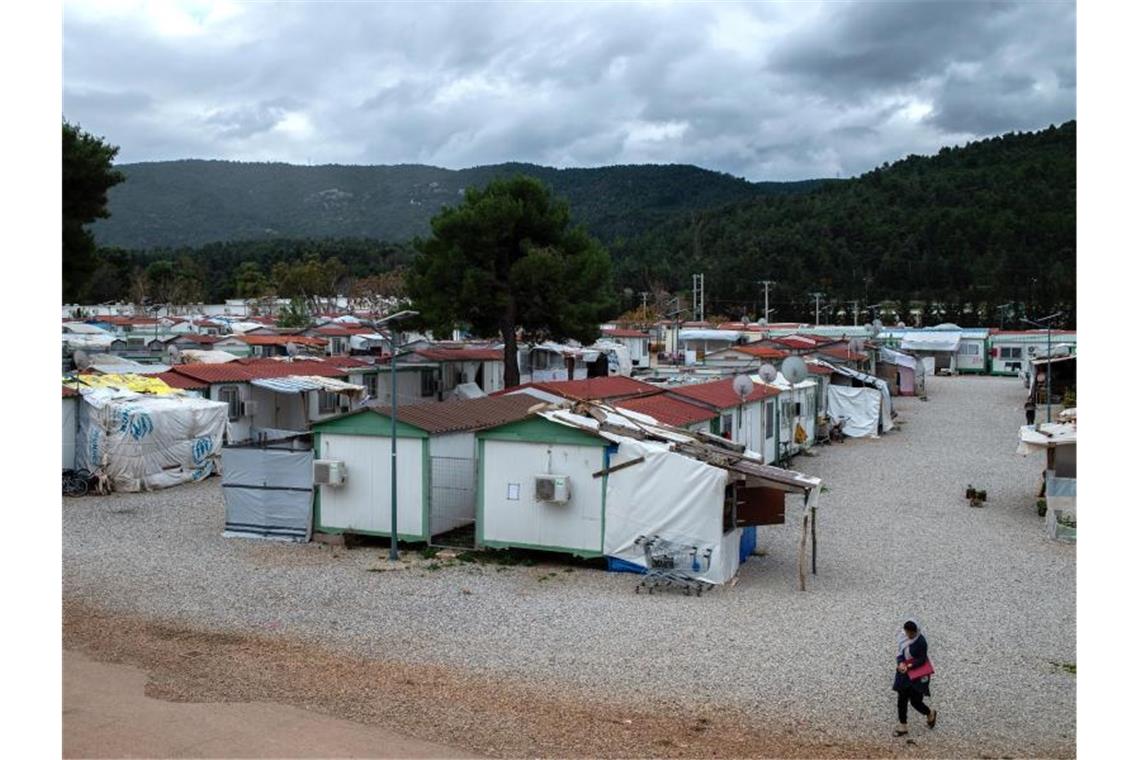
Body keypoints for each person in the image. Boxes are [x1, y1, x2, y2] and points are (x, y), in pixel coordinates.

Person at [893, 619, 937, 736]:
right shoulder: (903, 638)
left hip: (917, 676)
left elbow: (922, 659)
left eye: (912, 633)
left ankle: (929, 712)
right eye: (908, 633)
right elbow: (900, 653)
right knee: (901, 699)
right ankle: (903, 726)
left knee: (915, 702)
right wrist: (900, 663)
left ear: (916, 631)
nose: (909, 635)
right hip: (904, 673)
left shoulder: (921, 642)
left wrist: (909, 665)